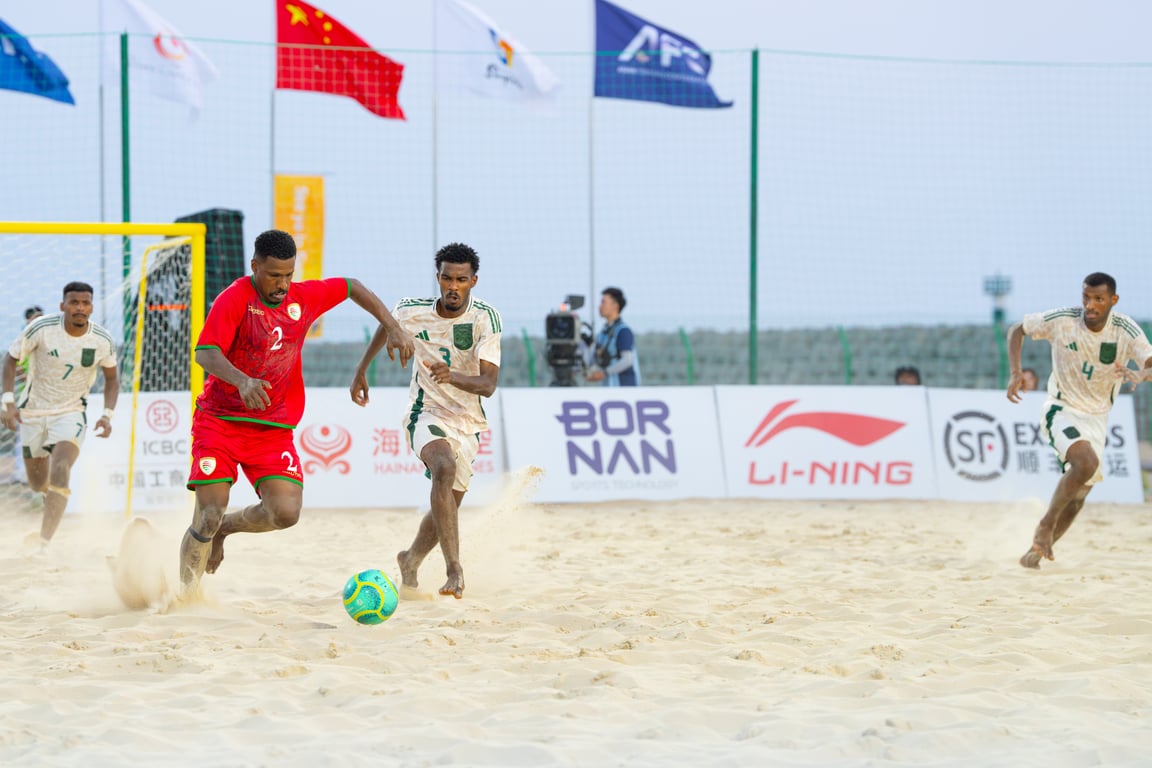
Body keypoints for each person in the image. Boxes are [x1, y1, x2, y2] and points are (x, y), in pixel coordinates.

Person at [179, 229, 413, 594]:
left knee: (285, 514)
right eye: (274, 275)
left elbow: (352, 286)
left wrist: (393, 327)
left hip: (272, 429)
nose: (283, 284)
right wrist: (242, 381)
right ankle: (187, 596)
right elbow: (205, 353)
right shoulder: (234, 299)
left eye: (288, 274)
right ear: (254, 266)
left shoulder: (303, 298)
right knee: (208, 514)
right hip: (220, 422)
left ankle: (226, 529)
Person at [350, 243, 500, 599]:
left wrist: (453, 376)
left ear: (473, 281)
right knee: (443, 468)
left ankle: (411, 559)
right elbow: (389, 326)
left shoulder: (485, 318)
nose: (453, 286)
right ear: (438, 278)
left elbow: (488, 385)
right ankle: (454, 569)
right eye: (447, 278)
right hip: (425, 411)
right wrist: (362, 369)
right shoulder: (411, 309)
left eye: (461, 280)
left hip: (468, 421)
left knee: (446, 506)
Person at [1006, 272, 1152, 569]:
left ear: (1113, 300)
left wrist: (1142, 373)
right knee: (1086, 464)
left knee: (1079, 497)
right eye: (1086, 297)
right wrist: (1015, 372)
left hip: (1097, 418)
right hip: (1062, 408)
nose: (1090, 305)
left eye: (1099, 299)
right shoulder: (1063, 320)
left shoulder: (1125, 329)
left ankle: (1034, 553)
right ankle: (1045, 525)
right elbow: (1016, 330)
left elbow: (1149, 362)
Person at [0, 285, 118, 552]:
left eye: (85, 303)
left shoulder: (102, 339)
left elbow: (112, 380)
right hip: (32, 413)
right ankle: (49, 495)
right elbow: (10, 359)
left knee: (62, 466)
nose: (80, 307)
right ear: (62, 306)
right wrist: (7, 401)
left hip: (71, 412)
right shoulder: (41, 328)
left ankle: (44, 543)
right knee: (37, 483)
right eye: (74, 302)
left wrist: (107, 415)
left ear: (91, 307)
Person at [7, 305, 44, 485]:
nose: (37, 321)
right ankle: (21, 473)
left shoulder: (48, 338)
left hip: (48, 396)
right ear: (28, 320)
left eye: (40, 317)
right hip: (28, 396)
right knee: (25, 434)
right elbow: (17, 367)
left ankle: (44, 473)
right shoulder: (22, 340)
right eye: (34, 318)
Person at [585, 286, 640, 386]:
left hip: (624, 388)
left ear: (615, 306)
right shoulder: (602, 333)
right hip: (609, 388)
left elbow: (627, 360)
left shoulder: (623, 331)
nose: (600, 306)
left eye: (603, 302)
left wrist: (605, 373)